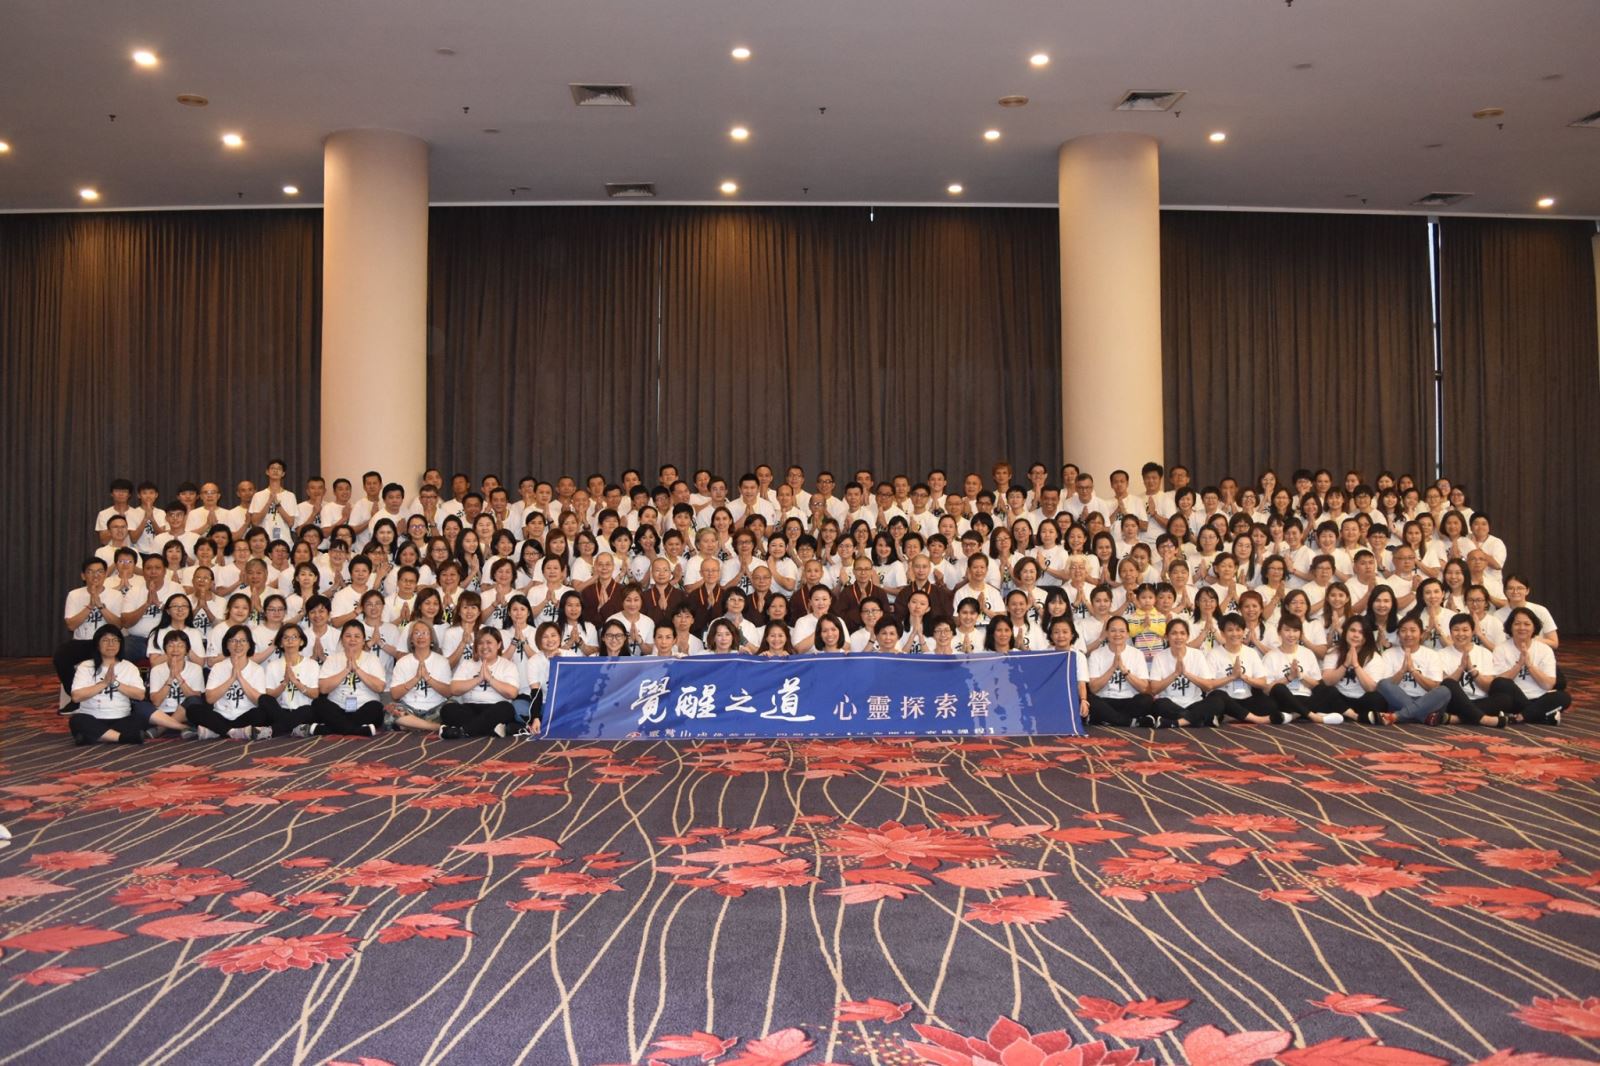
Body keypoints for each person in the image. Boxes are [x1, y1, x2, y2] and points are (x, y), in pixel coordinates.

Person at [1487, 607, 1570, 725]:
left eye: (1527, 624)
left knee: (1563, 697)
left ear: (1534, 627)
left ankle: (1519, 717)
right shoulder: (1501, 649)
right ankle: (1541, 716)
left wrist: (1529, 665)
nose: (1522, 628)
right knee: (1500, 683)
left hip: (1539, 698)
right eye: (1517, 624)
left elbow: (1548, 685)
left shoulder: (1544, 649)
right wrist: (1519, 664)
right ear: (1510, 626)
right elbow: (1499, 682)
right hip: (1514, 699)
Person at [67, 624, 146, 745]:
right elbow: (76, 697)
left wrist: (115, 683)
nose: (111, 644)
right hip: (92, 718)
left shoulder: (129, 667)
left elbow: (140, 695)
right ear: (97, 645)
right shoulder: (86, 666)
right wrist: (104, 683)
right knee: (77, 720)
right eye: (105, 640)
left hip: (121, 718)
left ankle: (94, 737)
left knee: (140, 718)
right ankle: (123, 738)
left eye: (115, 640)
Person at [194, 624, 274, 739]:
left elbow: (259, 702)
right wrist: (232, 678)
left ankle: (218, 731)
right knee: (194, 710)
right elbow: (210, 699)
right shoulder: (218, 667)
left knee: (262, 714)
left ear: (249, 645)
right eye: (233, 641)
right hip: (221, 715)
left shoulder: (257, 669)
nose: (238, 645)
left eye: (243, 641)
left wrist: (239, 677)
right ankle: (234, 732)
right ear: (226, 645)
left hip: (245, 715)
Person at [441, 629, 520, 738]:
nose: (484, 646)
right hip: (470, 708)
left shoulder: (508, 665)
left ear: (499, 645)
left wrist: (490, 679)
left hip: (495, 707)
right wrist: (478, 679)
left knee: (506, 709)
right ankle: (490, 729)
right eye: (480, 643)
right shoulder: (468, 664)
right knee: (448, 709)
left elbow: (512, 693)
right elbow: (454, 689)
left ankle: (462, 731)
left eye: (489, 642)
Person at [312, 620, 387, 736]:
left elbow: (380, 687)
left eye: (357, 636)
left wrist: (357, 669)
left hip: (363, 707)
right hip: (338, 707)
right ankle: (358, 730)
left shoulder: (372, 659)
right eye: (348, 636)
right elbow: (323, 689)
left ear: (363, 640)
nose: (352, 640)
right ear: (342, 640)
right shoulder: (333, 659)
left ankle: (329, 729)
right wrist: (346, 670)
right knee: (318, 704)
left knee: (376, 708)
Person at [1145, 618, 1221, 727]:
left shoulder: (1197, 655)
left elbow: (1208, 686)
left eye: (1182, 633)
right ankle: (1201, 718)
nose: (1178, 637)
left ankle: (1177, 722)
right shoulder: (1159, 657)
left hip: (1194, 703)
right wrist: (1175, 674)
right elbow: (1154, 689)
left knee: (1218, 698)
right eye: (1174, 633)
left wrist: (1186, 673)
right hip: (1170, 704)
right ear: (1166, 636)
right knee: (1158, 704)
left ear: (1188, 636)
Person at [1376, 616, 1450, 725]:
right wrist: (1402, 671)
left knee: (1444, 691)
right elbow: (1387, 686)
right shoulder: (1389, 654)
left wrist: (1413, 671)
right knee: (1382, 684)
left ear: (1421, 634)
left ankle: (1397, 716)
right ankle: (1424, 717)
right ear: (1398, 634)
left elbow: (1433, 687)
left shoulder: (1432, 655)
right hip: (1398, 700)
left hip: (1426, 701)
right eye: (1403, 630)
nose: (1408, 634)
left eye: (1413, 630)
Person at [1437, 613, 1507, 727]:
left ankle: (1457, 719)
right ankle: (1484, 719)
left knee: (1505, 698)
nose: (1460, 634)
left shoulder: (1485, 653)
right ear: (1450, 632)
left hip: (1480, 700)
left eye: (1465, 630)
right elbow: (1443, 686)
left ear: (1473, 632)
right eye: (1456, 630)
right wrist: (1461, 668)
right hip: (1455, 702)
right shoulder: (1441, 654)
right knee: (1448, 683)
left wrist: (1471, 669)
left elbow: (1488, 687)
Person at [387, 621, 455, 734]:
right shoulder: (402, 662)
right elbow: (395, 695)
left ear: (431, 639)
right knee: (390, 710)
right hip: (409, 708)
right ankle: (434, 727)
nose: (421, 636)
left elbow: (448, 693)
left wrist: (428, 679)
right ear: (411, 640)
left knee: (453, 708)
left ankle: (412, 725)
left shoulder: (442, 661)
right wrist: (416, 678)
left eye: (425, 633)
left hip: (436, 709)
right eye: (417, 633)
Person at [1085, 616, 1154, 727]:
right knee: (1090, 699)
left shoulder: (1137, 654)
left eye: (1122, 631)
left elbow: (1144, 688)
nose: (1117, 634)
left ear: (1127, 634)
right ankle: (1128, 721)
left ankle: (1107, 719)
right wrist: (1113, 668)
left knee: (1146, 700)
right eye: (1113, 630)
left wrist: (1124, 670)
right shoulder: (1096, 654)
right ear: (1106, 633)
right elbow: (1093, 688)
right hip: (1105, 700)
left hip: (1129, 700)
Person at [1209, 614, 1274, 724]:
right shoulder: (1213, 654)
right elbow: (1209, 685)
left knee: (1271, 705)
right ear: (1222, 633)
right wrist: (1232, 677)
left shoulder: (1251, 653)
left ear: (1243, 632)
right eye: (1230, 630)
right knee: (1218, 696)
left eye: (1238, 630)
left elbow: (1263, 683)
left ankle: (1233, 716)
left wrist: (1245, 678)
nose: (1235, 634)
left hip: (1246, 698)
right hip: (1226, 700)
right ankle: (1254, 718)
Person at [136, 630, 203, 735]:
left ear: (187, 650)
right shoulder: (157, 670)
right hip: (162, 715)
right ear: (165, 650)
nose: (175, 650)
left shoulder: (196, 669)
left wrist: (179, 678)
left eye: (180, 646)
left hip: (185, 715)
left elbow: (195, 699)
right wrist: (170, 679)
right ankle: (183, 728)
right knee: (140, 706)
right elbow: (156, 702)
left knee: (195, 701)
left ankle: (161, 729)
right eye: (171, 646)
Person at [260, 624, 321, 736]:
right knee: (263, 699)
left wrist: (296, 683)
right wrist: (284, 683)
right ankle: (294, 728)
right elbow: (270, 695)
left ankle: (271, 730)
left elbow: (315, 694)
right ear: (280, 643)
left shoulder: (312, 664)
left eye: (294, 637)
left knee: (308, 709)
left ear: (301, 642)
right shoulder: (272, 665)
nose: (290, 641)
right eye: (286, 638)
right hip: (281, 711)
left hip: (303, 712)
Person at [1261, 615, 1320, 722]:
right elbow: (1266, 689)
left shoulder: (1308, 653)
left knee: (1329, 690)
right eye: (1287, 630)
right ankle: (1311, 715)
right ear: (1279, 632)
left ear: (1300, 633)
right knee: (1279, 688)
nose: (1291, 635)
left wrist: (1301, 676)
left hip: (1305, 698)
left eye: (1295, 630)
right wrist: (1289, 678)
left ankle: (1293, 715)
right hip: (1283, 700)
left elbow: (1316, 684)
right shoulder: (1270, 656)